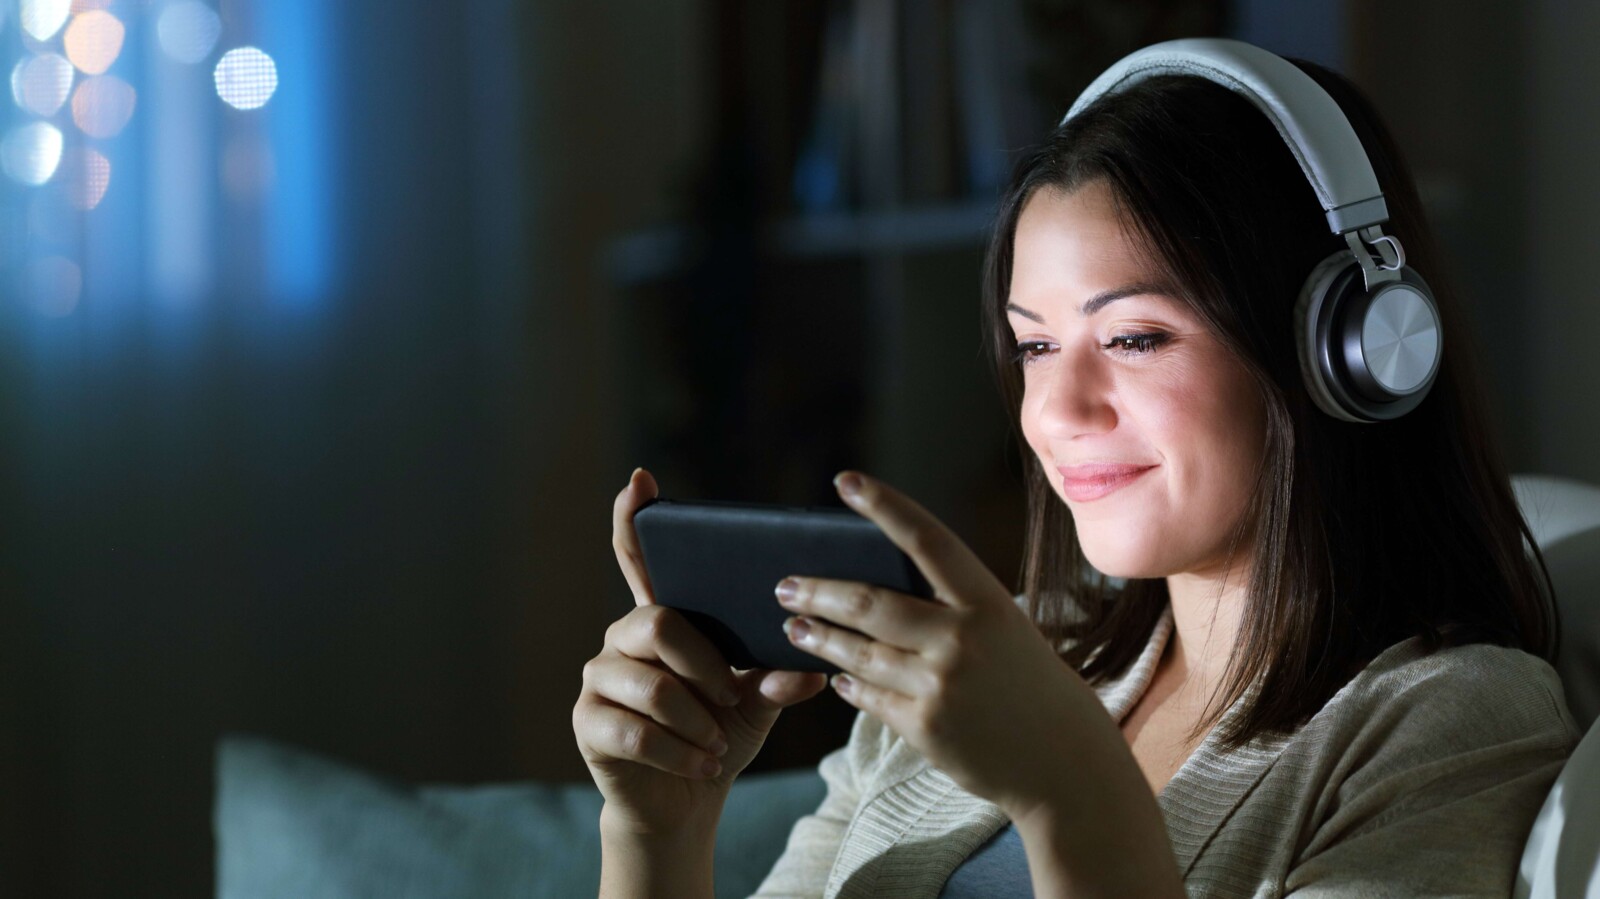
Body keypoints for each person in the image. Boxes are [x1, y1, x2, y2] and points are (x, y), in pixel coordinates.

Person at [572, 39, 1581, 897]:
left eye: (1135, 337)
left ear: (1351, 349)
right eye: (1035, 346)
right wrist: (659, 830)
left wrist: (1065, 787)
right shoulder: (991, 664)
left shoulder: (1450, 721)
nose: (1054, 411)